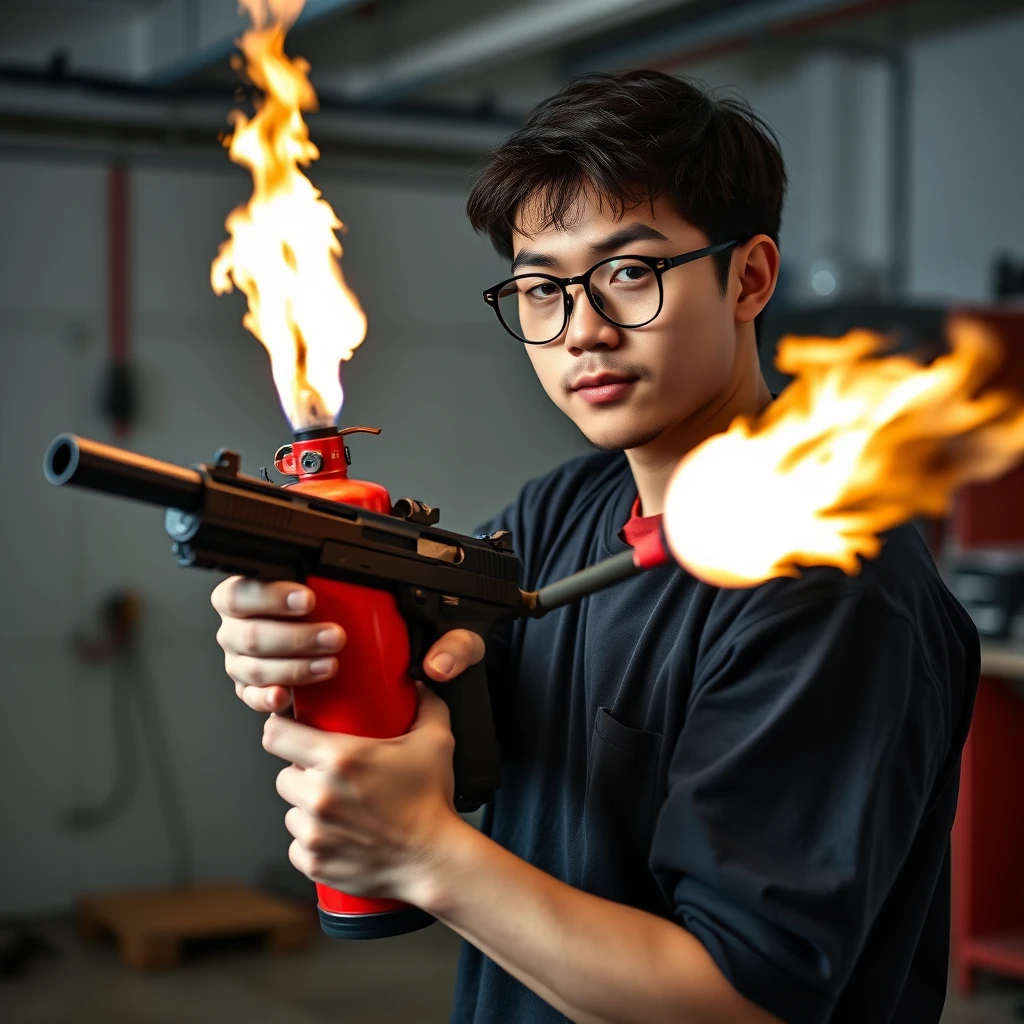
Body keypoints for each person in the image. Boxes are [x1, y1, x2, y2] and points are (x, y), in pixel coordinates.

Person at [211, 71, 979, 1024]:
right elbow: (457, 727)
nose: (580, 330)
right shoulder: (559, 511)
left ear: (749, 276)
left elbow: (742, 1003)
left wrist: (422, 855)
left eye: (629, 272)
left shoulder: (827, 588)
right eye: (542, 288)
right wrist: (313, 637)